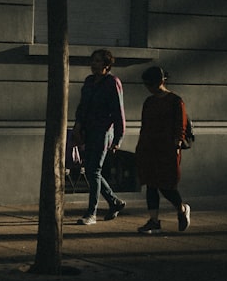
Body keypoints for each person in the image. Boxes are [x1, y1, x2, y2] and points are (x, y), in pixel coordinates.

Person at [71, 48, 127, 225]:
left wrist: (118, 138)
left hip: (102, 131)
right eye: (92, 60)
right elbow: (82, 107)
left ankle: (91, 213)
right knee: (89, 169)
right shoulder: (89, 82)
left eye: (97, 61)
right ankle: (114, 201)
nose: (93, 64)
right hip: (88, 130)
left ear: (106, 64)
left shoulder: (112, 82)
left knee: (94, 170)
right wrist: (78, 126)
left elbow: (119, 111)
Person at [134, 65, 190, 234]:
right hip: (150, 147)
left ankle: (181, 209)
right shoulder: (149, 102)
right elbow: (145, 126)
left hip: (167, 147)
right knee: (151, 184)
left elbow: (181, 125)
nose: (149, 88)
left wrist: (177, 144)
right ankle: (154, 220)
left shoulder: (175, 101)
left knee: (167, 185)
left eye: (151, 84)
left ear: (160, 81)